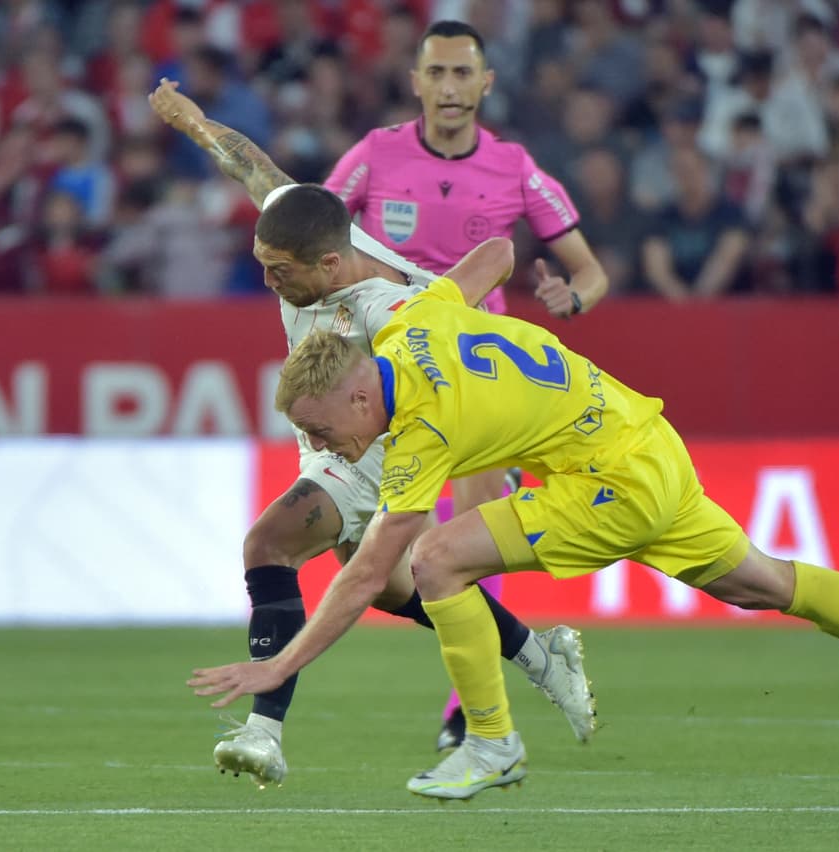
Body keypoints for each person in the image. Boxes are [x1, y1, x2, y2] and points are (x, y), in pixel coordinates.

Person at [189, 258, 839, 801]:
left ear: (360, 399)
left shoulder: (421, 429)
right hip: (646, 442)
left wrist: (280, 666)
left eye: (322, 432)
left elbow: (365, 577)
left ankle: (492, 744)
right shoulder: (414, 318)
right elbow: (493, 252)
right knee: (762, 581)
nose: (323, 448)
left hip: (611, 483)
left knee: (435, 560)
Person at [147, 81, 594, 789]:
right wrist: (194, 120)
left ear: (327, 268)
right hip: (333, 425)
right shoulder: (311, 230)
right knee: (394, 589)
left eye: (278, 272)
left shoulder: (388, 310)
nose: (267, 281)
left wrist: (456, 308)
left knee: (268, 543)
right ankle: (540, 653)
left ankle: (264, 731)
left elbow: (495, 257)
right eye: (263, 264)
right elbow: (251, 166)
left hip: (372, 438)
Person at [323, 19, 611, 749]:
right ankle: (500, 668)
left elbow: (589, 269)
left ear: (485, 83)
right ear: (416, 82)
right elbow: (317, 230)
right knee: (380, 554)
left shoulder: (515, 167)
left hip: (480, 384)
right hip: (389, 378)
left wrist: (572, 298)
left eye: (462, 74)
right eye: (437, 74)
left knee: (472, 538)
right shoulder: (374, 156)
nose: (449, 88)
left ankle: (466, 710)